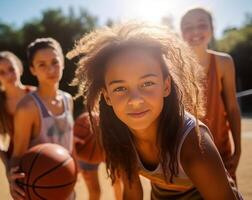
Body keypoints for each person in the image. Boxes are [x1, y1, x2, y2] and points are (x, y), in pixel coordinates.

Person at [67, 22, 242, 199]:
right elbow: (132, 193)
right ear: (107, 97)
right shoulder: (118, 135)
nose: (135, 100)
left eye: (147, 83)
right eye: (120, 88)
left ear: (166, 86)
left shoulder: (193, 144)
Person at [7, 38, 74, 200]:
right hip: (40, 187)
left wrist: (74, 167)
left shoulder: (68, 99)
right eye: (42, 65)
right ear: (32, 69)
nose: (50, 69)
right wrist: (12, 180)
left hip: (66, 182)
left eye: (55, 62)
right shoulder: (28, 107)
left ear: (63, 63)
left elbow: (69, 142)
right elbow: (17, 154)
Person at [180, 7, 241, 182]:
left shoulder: (223, 62)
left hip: (221, 149)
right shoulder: (173, 67)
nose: (195, 31)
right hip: (186, 153)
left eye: (201, 24)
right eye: (188, 27)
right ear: (181, 32)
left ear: (212, 29)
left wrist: (238, 150)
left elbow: (232, 107)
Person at [0, 51, 35, 169]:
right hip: (18, 163)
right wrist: (8, 164)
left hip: (45, 154)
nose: (9, 75)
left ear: (19, 68)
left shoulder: (36, 94)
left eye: (11, 69)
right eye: (2, 72)